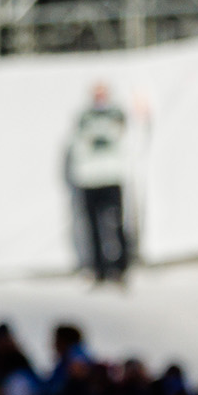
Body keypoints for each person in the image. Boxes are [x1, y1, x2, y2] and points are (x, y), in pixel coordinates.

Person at [67, 84, 130, 284]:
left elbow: (116, 135)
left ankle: (120, 267)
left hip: (111, 176)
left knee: (116, 223)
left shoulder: (116, 113)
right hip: (89, 179)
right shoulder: (84, 116)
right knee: (92, 226)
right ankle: (98, 269)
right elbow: (82, 142)